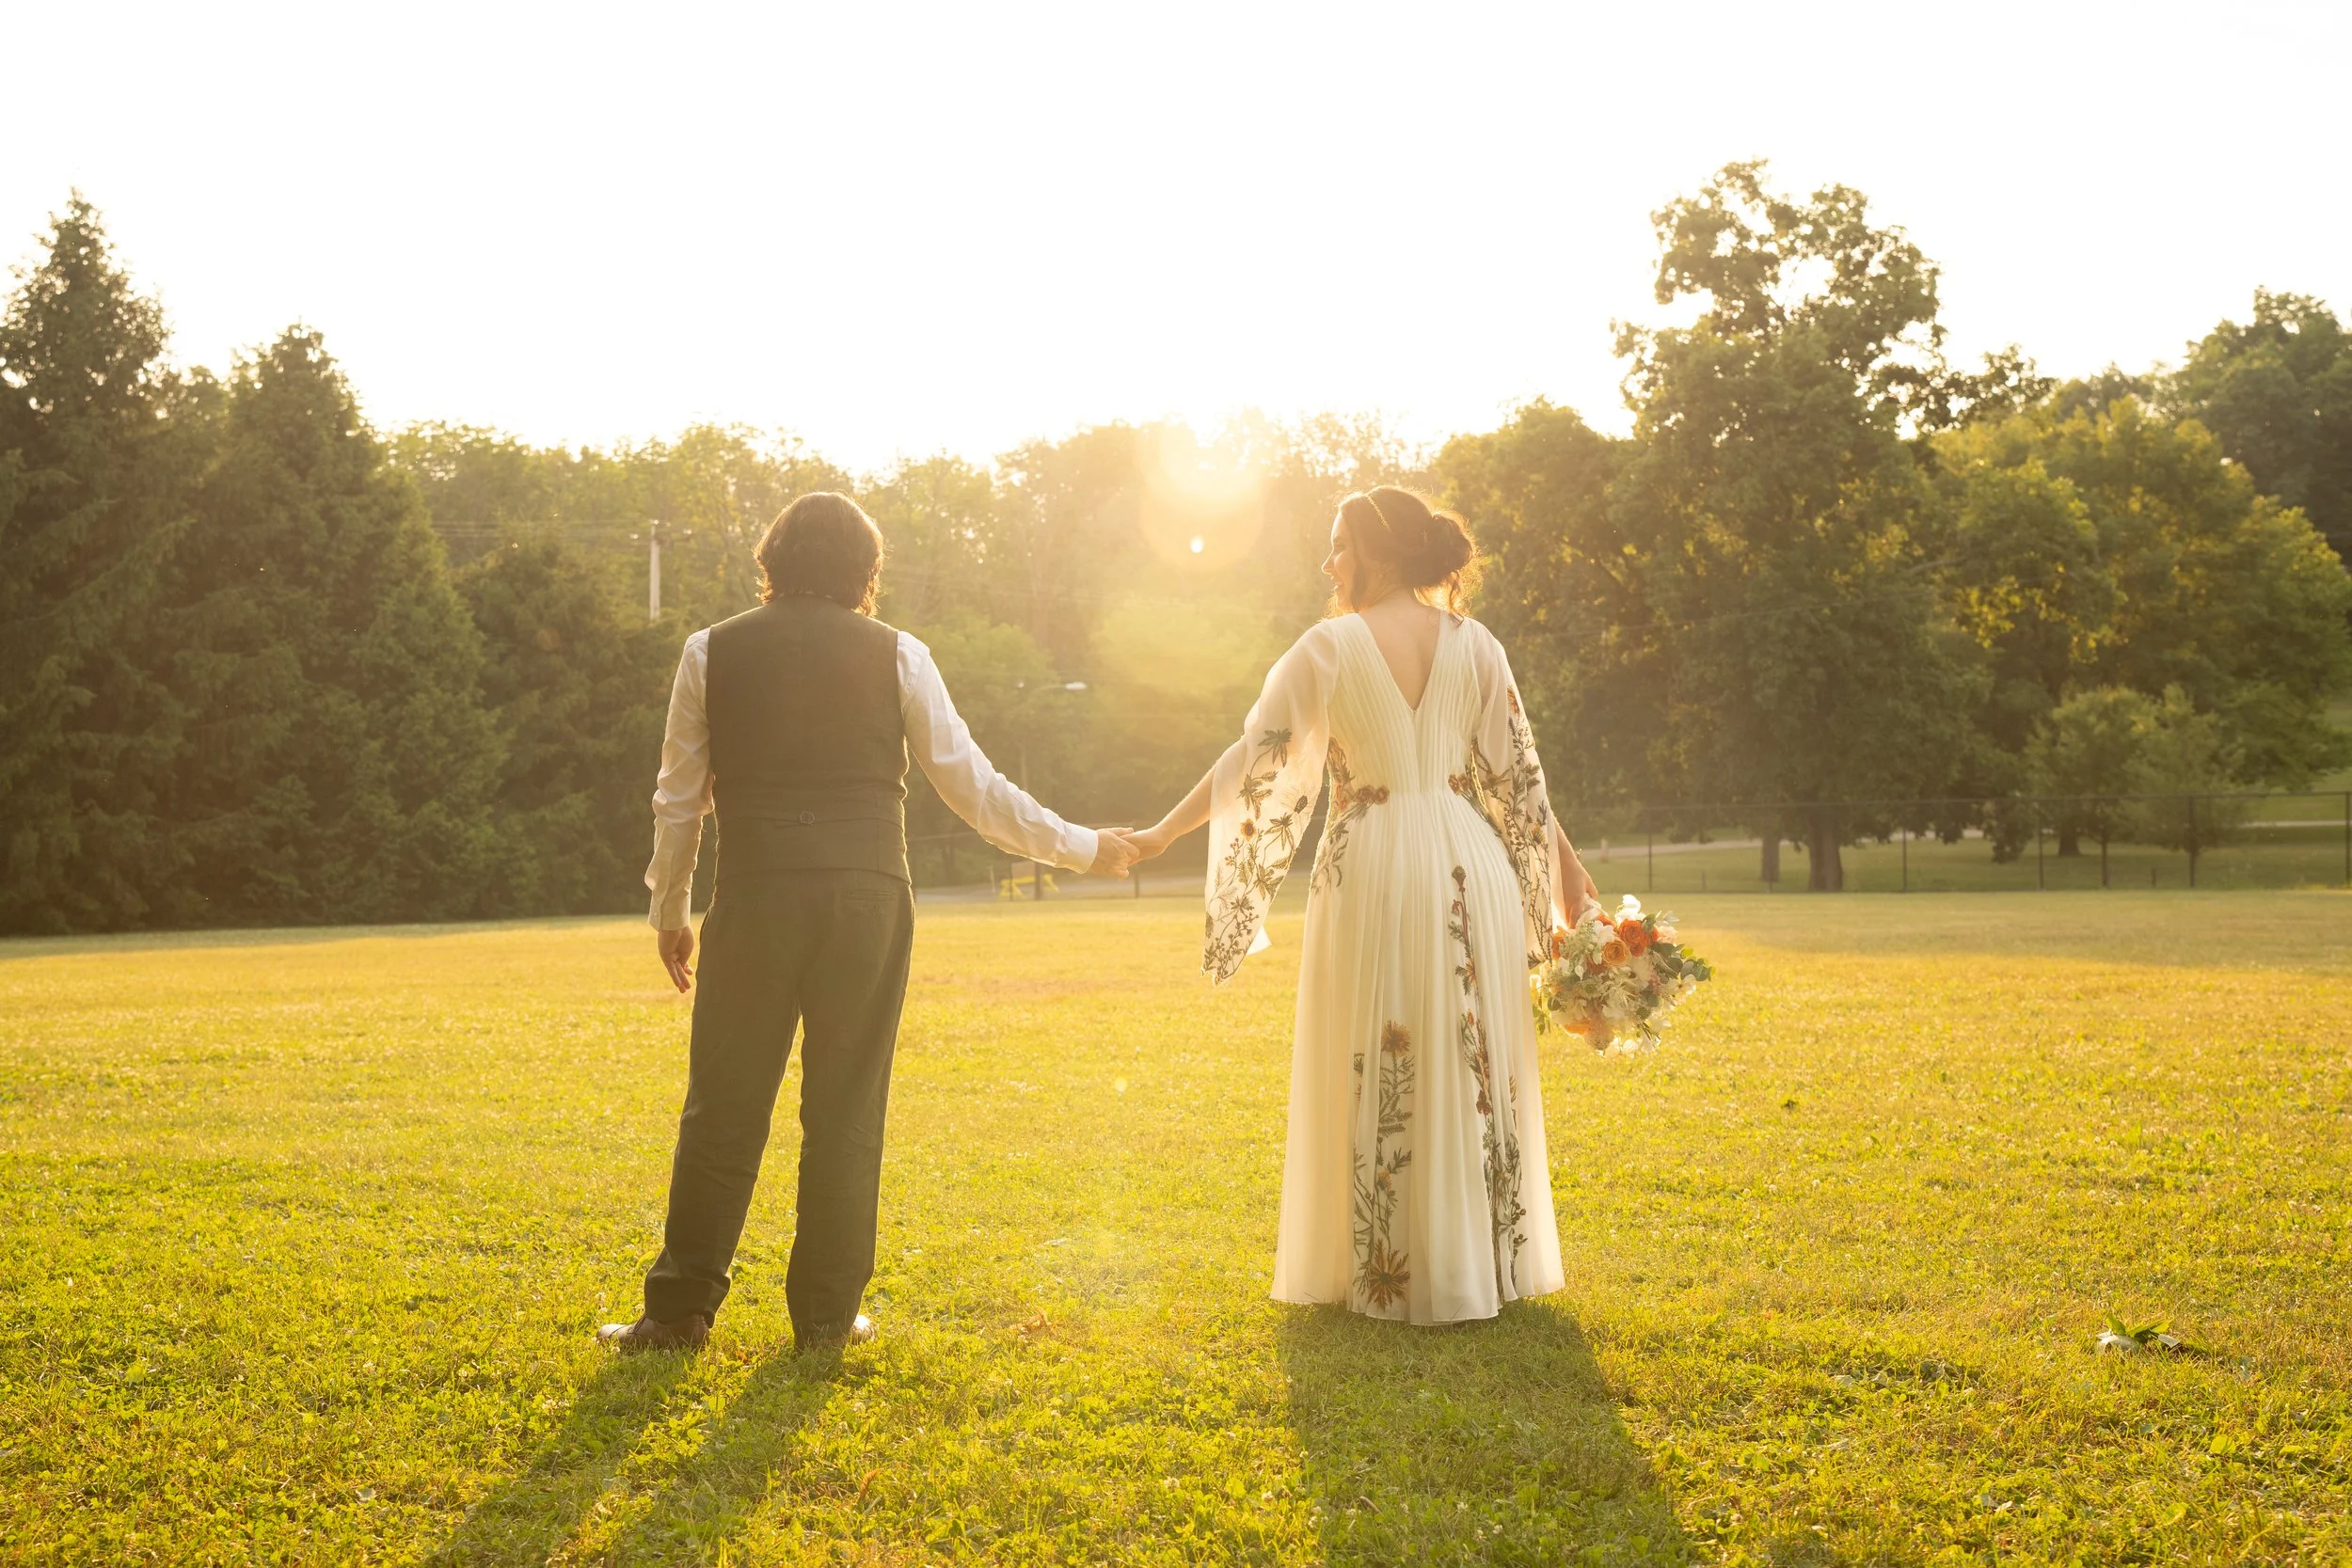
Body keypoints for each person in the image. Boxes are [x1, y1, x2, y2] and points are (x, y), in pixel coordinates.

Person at [599, 492, 1137, 1354]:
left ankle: (677, 1312)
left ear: (770, 561)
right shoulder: (901, 654)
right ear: (867, 571)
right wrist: (1083, 846)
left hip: (758, 892)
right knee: (847, 1105)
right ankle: (824, 1318)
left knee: (723, 1105)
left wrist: (669, 910)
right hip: (869, 897)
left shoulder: (711, 651)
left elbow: (677, 801)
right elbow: (976, 790)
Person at [1122, 486, 1601, 1324]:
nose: (1327, 562)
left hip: (1375, 852)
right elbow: (1521, 784)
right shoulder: (1476, 644)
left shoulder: (1328, 648)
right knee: (1471, 1053)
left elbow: (1253, 762)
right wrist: (1568, 875)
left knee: (1385, 1047)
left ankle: (1386, 1268)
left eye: (1338, 545)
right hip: (1468, 856)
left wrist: (1163, 831)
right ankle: (1484, 1259)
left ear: (1377, 554)